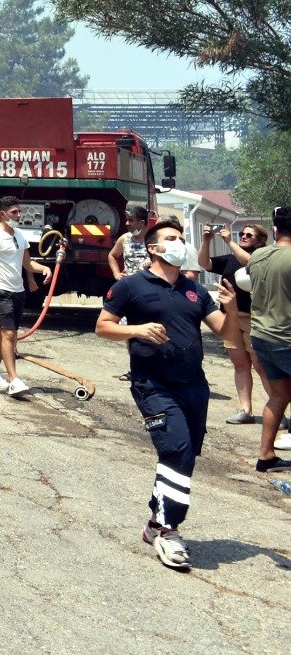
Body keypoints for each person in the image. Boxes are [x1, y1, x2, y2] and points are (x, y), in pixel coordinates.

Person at [96, 218, 238, 571]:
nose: (180, 243)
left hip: (194, 384)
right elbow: (102, 327)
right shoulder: (131, 286)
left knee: (185, 456)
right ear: (154, 248)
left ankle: (154, 523)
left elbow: (224, 330)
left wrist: (232, 306)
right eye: (171, 238)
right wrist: (138, 330)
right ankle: (169, 532)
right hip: (153, 384)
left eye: (181, 238)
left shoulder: (194, 290)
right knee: (175, 448)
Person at [0, 196, 50, 399]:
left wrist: (44, 268)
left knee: (6, 334)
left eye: (19, 211)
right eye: (15, 212)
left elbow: (28, 263)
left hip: (18, 291)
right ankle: (14, 379)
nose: (19, 215)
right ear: (3, 213)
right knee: (7, 334)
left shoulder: (20, 236)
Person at [205, 222, 269, 424]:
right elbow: (204, 263)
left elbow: (250, 263)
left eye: (249, 235)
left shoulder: (263, 256)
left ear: (260, 240)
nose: (243, 236)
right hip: (231, 317)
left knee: (261, 366)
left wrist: (230, 241)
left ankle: (278, 411)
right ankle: (245, 410)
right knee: (240, 365)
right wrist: (206, 241)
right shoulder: (231, 258)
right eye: (242, 233)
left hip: (254, 318)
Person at [246, 206, 291, 472]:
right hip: (286, 336)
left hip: (261, 335)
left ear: (275, 229)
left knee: (280, 394)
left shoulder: (258, 256)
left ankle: (266, 455)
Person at [108, 205, 152, 281]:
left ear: (142, 222)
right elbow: (112, 255)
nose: (126, 223)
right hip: (129, 283)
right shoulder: (124, 238)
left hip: (148, 283)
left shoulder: (154, 239)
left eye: (131, 220)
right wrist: (116, 273)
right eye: (127, 220)